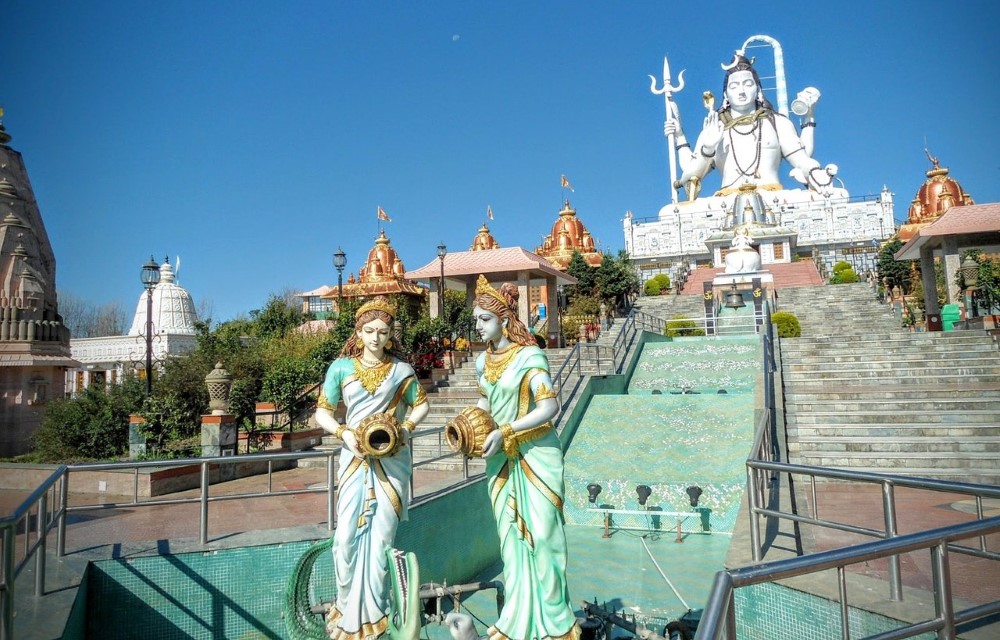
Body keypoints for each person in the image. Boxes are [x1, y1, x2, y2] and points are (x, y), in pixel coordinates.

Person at [470, 275, 579, 640]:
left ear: (504, 319)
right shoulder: (482, 362)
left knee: (545, 536)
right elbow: (485, 402)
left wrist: (506, 431)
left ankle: (557, 621)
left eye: (485, 318)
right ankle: (517, 616)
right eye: (476, 319)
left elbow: (549, 407)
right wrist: (470, 425)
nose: (479, 325)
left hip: (536, 453)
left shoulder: (530, 356)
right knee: (511, 540)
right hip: (501, 459)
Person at [315, 296, 429, 640]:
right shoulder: (341, 368)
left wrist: (405, 429)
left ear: (391, 335)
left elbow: (421, 405)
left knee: (382, 541)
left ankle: (376, 616)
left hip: (391, 461)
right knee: (344, 540)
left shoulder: (401, 371)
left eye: (382, 331)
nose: (375, 337)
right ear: (358, 332)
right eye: (369, 331)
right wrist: (343, 433)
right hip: (354, 460)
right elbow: (322, 412)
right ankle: (347, 609)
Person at [666, 53, 835, 197]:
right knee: (668, 212)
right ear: (726, 95)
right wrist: (705, 147)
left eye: (747, 84)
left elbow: (802, 158)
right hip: (727, 201)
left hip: (772, 197)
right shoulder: (715, 128)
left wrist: (814, 171)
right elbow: (689, 176)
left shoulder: (777, 122)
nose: (741, 91)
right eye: (734, 86)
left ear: (758, 90)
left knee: (834, 195)